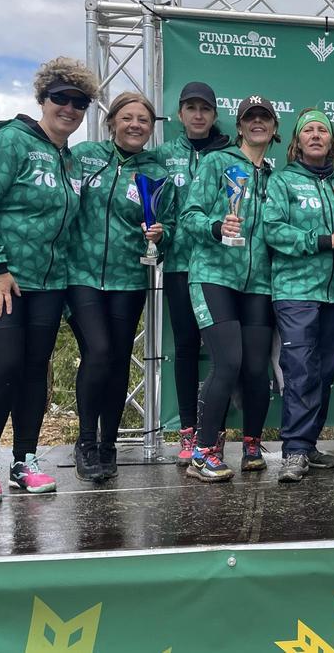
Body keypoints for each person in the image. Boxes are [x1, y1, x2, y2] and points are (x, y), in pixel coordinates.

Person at [0, 57, 99, 501]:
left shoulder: (71, 161)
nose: (70, 108)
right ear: (43, 99)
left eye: (80, 102)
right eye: (61, 98)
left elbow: (72, 228)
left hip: (49, 283)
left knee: (35, 371)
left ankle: (25, 460)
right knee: (4, 366)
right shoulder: (9, 144)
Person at [65, 91, 174, 482]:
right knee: (99, 352)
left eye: (143, 120)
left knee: (118, 359)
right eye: (127, 118)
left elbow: (171, 224)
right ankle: (85, 441)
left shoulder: (156, 171)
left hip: (129, 277)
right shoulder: (85, 156)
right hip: (82, 275)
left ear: (151, 128)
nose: (135, 125)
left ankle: (108, 443)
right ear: (112, 122)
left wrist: (162, 234)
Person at [179, 94, 281, 482]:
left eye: (265, 117)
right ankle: (203, 452)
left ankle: (252, 444)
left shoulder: (275, 175)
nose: (257, 123)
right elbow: (189, 214)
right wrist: (216, 227)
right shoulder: (217, 162)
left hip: (258, 282)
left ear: (273, 129)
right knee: (229, 363)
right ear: (239, 126)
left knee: (257, 369)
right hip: (213, 276)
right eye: (250, 118)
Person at [265, 109, 334, 483]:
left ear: (332, 140)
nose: (316, 135)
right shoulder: (283, 181)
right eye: (309, 131)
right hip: (295, 290)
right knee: (300, 369)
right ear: (297, 141)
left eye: (323, 130)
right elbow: (272, 230)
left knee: (324, 370)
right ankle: (294, 451)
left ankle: (309, 443)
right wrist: (323, 240)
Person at [155, 82, 231, 465]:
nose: (198, 114)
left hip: (221, 269)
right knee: (186, 347)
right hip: (181, 266)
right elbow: (151, 207)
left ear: (215, 115)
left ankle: (213, 432)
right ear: (180, 114)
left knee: (223, 354)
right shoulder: (163, 155)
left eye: (205, 108)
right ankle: (187, 430)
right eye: (191, 108)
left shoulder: (231, 156)